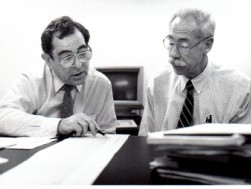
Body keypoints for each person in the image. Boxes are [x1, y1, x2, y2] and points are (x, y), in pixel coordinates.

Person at [139, 8, 251, 136]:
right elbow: (145, 141)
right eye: (171, 43)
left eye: (184, 45)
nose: (173, 54)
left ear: (207, 45)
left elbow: (243, 149)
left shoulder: (240, 89)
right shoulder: (157, 82)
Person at [0, 16, 117, 137]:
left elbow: (107, 134)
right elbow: (3, 118)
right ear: (49, 60)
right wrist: (58, 125)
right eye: (67, 58)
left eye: (83, 53)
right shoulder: (31, 82)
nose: (78, 64)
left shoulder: (101, 84)